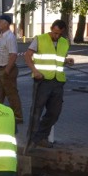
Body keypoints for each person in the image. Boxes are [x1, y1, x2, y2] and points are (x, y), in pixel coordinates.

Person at [24, 19, 75, 149]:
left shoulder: (64, 42)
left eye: (59, 34)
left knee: (54, 112)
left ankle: (39, 137)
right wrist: (34, 71)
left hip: (58, 82)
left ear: (63, 33)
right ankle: (31, 140)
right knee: (36, 110)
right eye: (55, 32)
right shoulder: (40, 39)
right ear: (51, 28)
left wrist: (66, 61)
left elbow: (56, 60)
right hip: (42, 80)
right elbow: (27, 56)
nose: (56, 36)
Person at [0, 14, 23, 124]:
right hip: (1, 68)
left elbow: (13, 55)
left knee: (11, 93)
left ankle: (18, 116)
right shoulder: (3, 36)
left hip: (6, 69)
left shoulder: (10, 37)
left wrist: (7, 70)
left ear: (6, 23)